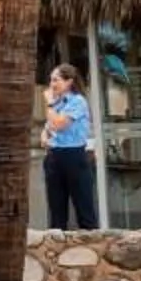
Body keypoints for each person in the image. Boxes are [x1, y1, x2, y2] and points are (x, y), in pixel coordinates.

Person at [41, 62, 96, 231]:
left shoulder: (77, 101)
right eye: (51, 80)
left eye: (56, 80)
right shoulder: (57, 104)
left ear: (69, 82)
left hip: (74, 155)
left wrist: (49, 105)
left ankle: (90, 245)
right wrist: (45, 136)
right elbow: (48, 128)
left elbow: (59, 124)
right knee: (56, 208)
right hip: (54, 156)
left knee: (83, 205)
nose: (52, 85)